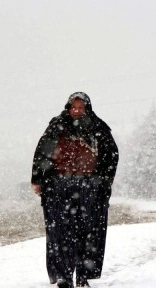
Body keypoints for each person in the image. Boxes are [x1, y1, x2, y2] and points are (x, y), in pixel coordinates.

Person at [31, 92, 119, 288]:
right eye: (74, 107)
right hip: (58, 187)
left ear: (87, 108)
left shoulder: (98, 128)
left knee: (87, 232)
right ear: (68, 108)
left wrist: (103, 182)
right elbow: (42, 153)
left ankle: (82, 275)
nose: (77, 111)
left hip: (89, 188)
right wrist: (38, 179)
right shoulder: (57, 126)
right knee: (60, 233)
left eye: (81, 107)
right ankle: (63, 276)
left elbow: (111, 155)